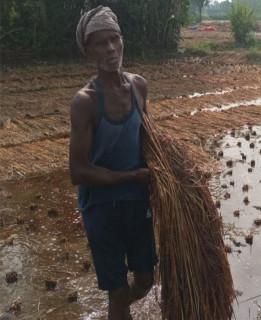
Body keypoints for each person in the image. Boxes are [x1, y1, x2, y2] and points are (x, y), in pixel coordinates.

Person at [69, 6, 158, 320]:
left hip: (137, 203)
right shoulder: (86, 102)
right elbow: (77, 171)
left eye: (114, 39)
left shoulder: (138, 86)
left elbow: (149, 138)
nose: (110, 48)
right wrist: (134, 176)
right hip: (102, 208)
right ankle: (118, 310)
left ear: (122, 40)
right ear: (89, 51)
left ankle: (115, 312)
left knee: (146, 281)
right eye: (100, 43)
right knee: (118, 290)